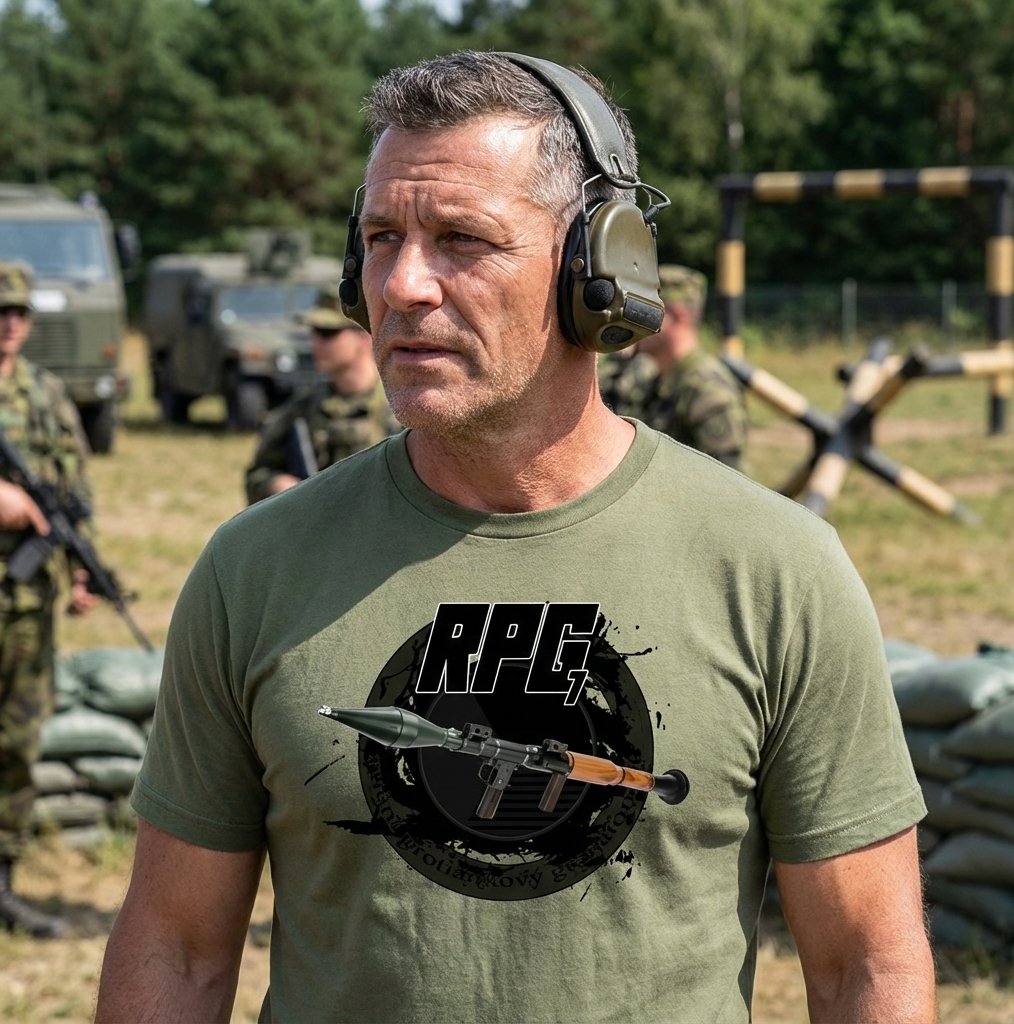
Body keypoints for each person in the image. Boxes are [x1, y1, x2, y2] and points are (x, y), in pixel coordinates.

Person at [96, 51, 934, 1023]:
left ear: (598, 268)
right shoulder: (254, 569)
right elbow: (177, 949)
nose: (403, 285)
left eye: (462, 239)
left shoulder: (774, 570)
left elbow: (863, 965)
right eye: (380, 238)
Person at [0, 262, 96, 939]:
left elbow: (72, 491)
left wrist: (83, 567)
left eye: (17, 313)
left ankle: (2, 881)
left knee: (16, 740)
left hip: (26, 602)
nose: (8, 324)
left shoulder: (45, 393)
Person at [243, 284, 398, 504]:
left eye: (327, 333)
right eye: (313, 332)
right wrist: (277, 484)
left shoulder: (400, 410)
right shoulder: (303, 407)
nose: (315, 343)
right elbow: (257, 475)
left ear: (365, 336)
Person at [636, 264, 748, 470]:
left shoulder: (708, 390)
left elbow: (724, 482)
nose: (632, 320)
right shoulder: (664, 379)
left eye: (643, 311)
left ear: (678, 316)